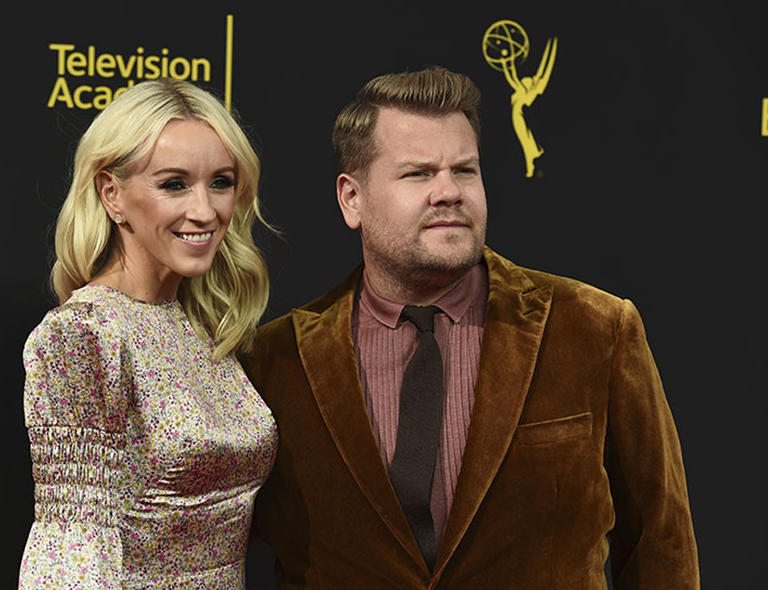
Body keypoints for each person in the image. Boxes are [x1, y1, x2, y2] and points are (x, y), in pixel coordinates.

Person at [243, 67, 699, 588]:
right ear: (352, 199)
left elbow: (660, 544)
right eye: (417, 173)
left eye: (464, 171)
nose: (448, 192)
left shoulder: (594, 328)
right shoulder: (275, 361)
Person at [18, 78, 276, 589]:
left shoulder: (200, 326)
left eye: (221, 182)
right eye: (174, 184)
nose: (205, 211)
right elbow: (71, 556)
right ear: (111, 193)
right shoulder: (83, 338)